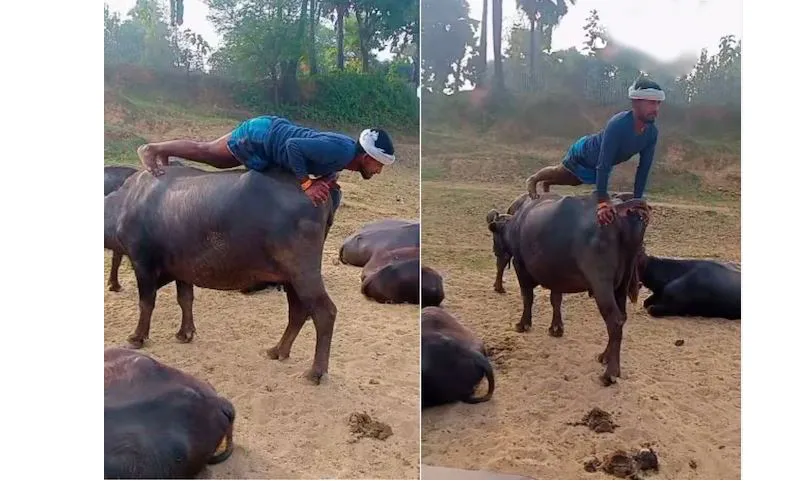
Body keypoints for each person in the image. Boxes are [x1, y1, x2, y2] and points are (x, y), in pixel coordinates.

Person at [136, 115, 396, 206]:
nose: (378, 171)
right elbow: (294, 147)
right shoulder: (341, 152)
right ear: (365, 157)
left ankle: (165, 151)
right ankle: (153, 149)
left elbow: (321, 159)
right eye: (378, 165)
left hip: (267, 129)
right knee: (211, 155)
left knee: (209, 151)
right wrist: (307, 184)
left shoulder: (345, 154)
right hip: (262, 138)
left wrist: (328, 179)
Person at [525, 78, 664, 225]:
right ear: (636, 102)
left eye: (658, 103)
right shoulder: (618, 124)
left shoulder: (651, 133)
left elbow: (643, 169)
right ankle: (534, 179)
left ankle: (547, 183)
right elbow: (604, 164)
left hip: (598, 165)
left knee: (574, 181)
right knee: (561, 171)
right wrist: (602, 202)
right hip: (584, 153)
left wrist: (637, 201)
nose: (655, 108)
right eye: (650, 102)